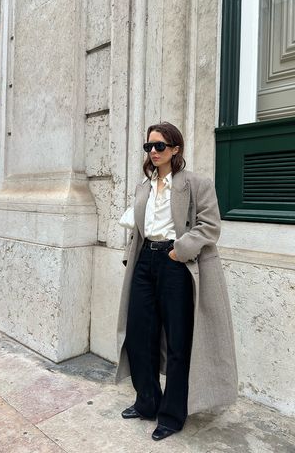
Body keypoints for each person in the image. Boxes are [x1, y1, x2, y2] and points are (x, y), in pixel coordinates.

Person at [116, 121, 238, 441]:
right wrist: (133, 255)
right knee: (140, 334)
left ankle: (172, 414)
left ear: (175, 149)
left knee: (179, 341)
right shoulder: (144, 186)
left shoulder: (196, 183)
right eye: (149, 147)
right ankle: (147, 402)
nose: (153, 152)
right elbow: (138, 226)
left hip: (176, 264)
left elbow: (210, 226)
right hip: (145, 263)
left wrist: (179, 251)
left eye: (159, 146)